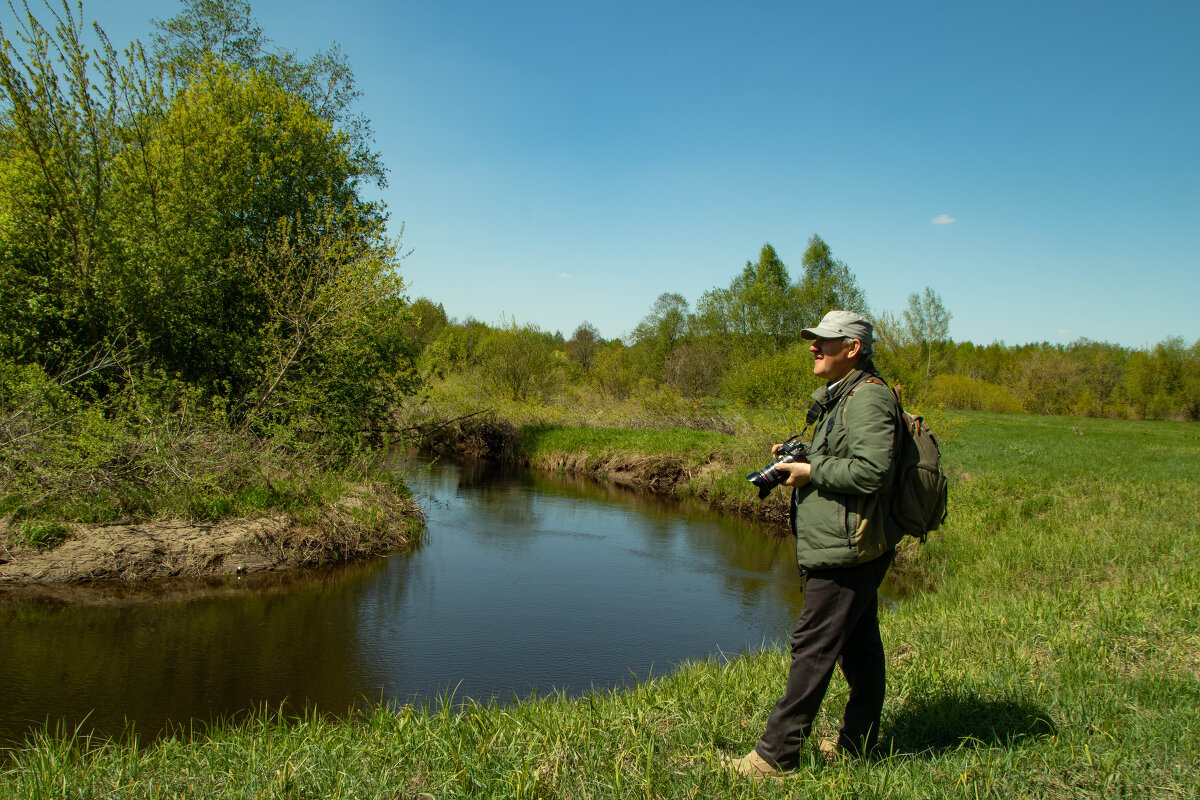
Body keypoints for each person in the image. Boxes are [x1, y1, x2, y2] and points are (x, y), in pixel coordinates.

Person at [725, 310, 903, 779]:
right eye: (814, 340)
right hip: (846, 543)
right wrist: (800, 459)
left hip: (849, 546)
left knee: (813, 645)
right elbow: (848, 458)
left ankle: (775, 757)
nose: (813, 347)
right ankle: (856, 743)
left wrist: (810, 472)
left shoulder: (867, 400)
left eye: (824, 341)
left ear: (852, 349)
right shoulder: (841, 398)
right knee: (858, 647)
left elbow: (873, 472)